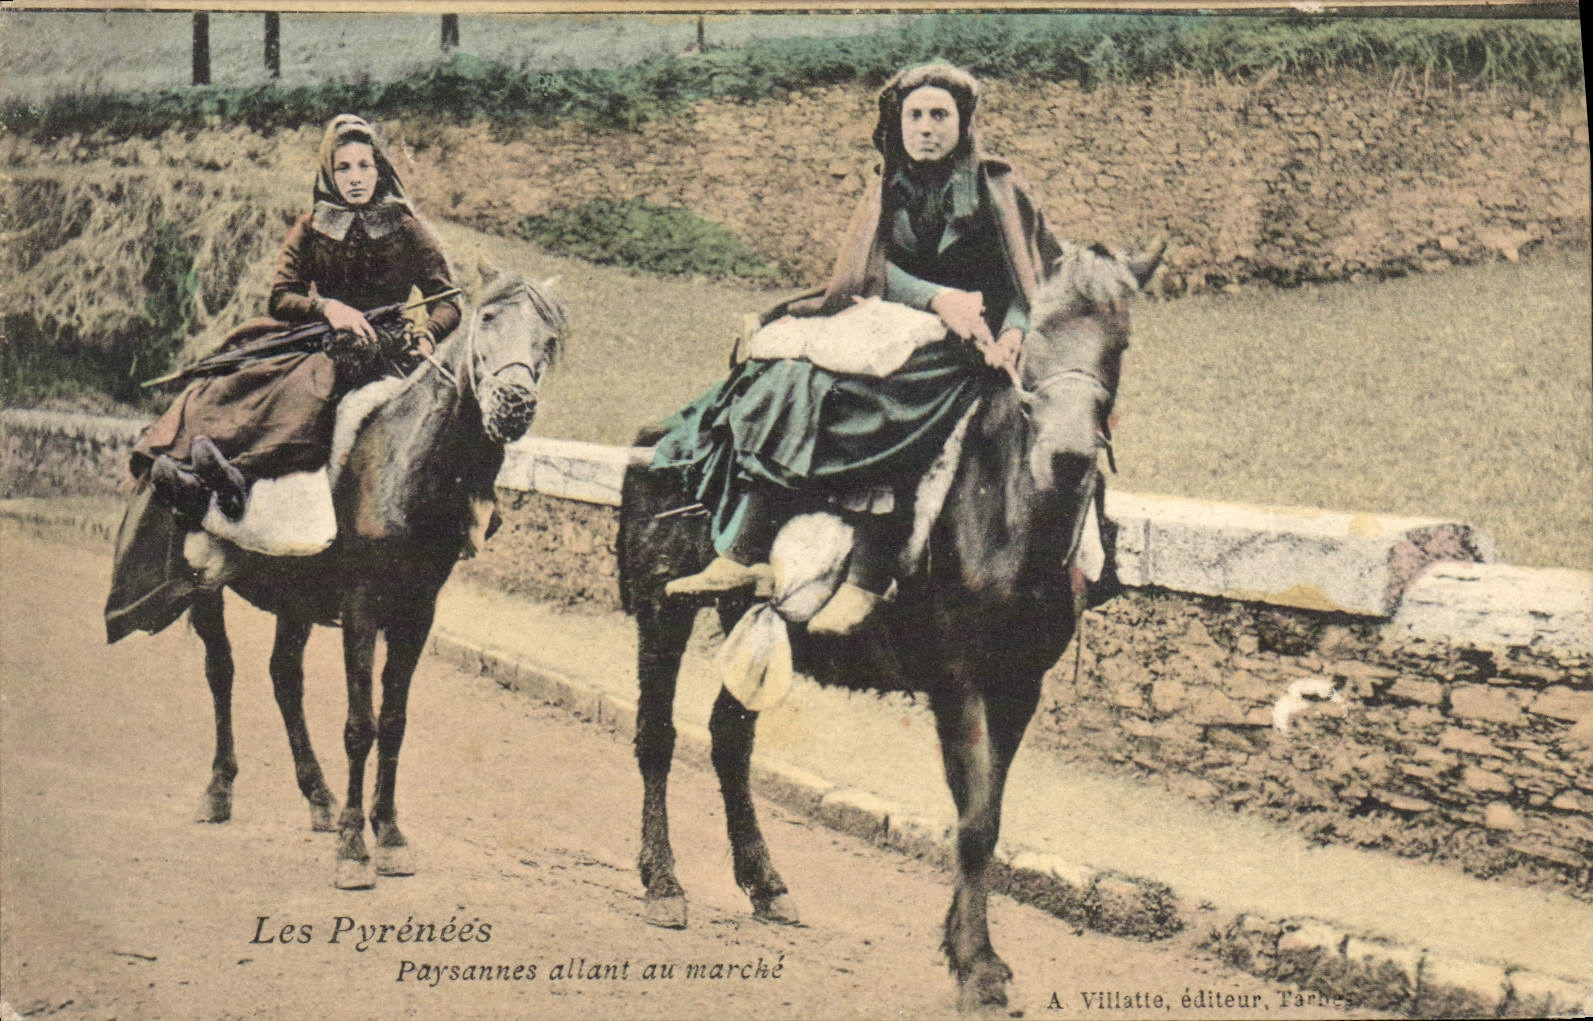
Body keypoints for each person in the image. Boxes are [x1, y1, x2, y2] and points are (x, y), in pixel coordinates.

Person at [654, 63, 1064, 636]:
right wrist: (935, 298)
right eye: (914, 116)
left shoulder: (999, 189)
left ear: (964, 123)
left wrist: (1016, 331)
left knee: (889, 401)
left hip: (977, 343)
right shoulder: (887, 187)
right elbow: (870, 272)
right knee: (794, 375)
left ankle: (868, 573)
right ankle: (746, 549)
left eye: (939, 116)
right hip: (894, 322)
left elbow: (1031, 282)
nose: (926, 128)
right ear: (897, 125)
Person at [131, 114, 461, 523]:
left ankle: (242, 474)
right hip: (320, 337)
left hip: (386, 347)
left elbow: (448, 300)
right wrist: (328, 308)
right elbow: (281, 297)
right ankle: (194, 468)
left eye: (365, 165)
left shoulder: (408, 229)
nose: (355, 177)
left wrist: (428, 334)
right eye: (343, 167)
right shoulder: (310, 228)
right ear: (329, 173)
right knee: (247, 373)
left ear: (379, 169)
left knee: (313, 385)